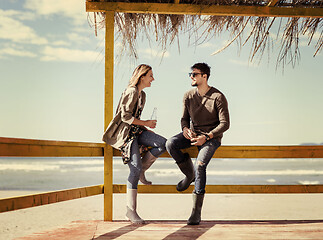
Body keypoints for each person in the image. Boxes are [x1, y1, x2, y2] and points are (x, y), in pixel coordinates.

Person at [166, 62, 230, 225]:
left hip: (211, 138)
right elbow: (184, 118)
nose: (191, 77)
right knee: (170, 143)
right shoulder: (188, 95)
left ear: (204, 76)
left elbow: (225, 124)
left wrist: (207, 137)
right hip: (193, 135)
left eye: (194, 74)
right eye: (190, 74)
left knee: (200, 164)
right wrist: (185, 129)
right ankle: (189, 175)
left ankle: (196, 212)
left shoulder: (218, 96)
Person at [102, 64, 166, 224]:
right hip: (126, 135)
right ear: (142, 76)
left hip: (137, 132)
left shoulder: (142, 95)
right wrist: (145, 122)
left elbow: (134, 119)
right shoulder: (131, 91)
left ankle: (143, 169)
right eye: (151, 75)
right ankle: (131, 212)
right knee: (134, 169)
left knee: (162, 143)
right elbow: (125, 117)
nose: (153, 79)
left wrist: (145, 128)